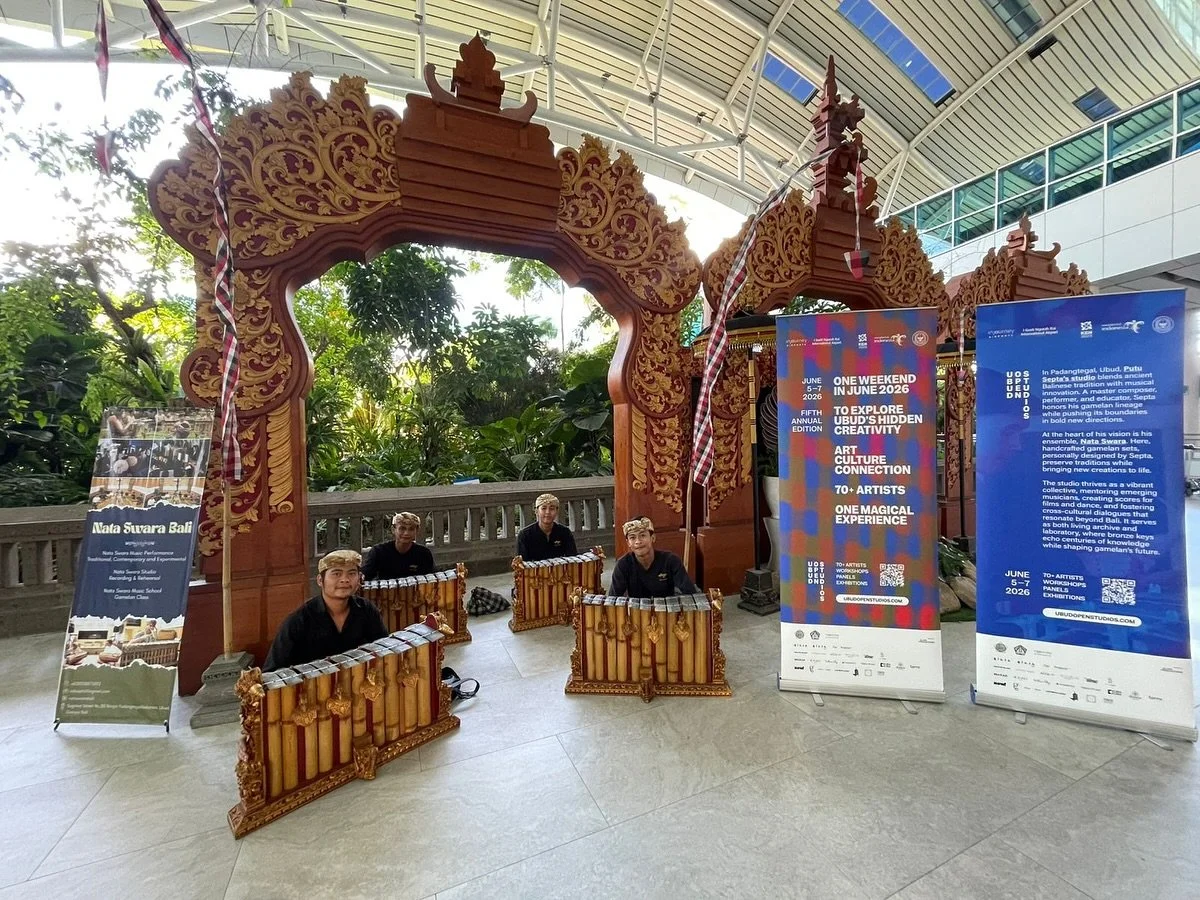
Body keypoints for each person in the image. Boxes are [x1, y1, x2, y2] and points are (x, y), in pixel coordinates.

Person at [263, 550, 387, 670]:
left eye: (351, 573)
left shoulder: (368, 611)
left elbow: (384, 653)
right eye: (336, 573)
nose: (345, 579)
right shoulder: (298, 621)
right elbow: (273, 672)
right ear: (320, 580)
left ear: (359, 578)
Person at [609, 517, 698, 598]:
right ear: (628, 543)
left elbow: (690, 593)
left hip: (666, 613)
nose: (638, 541)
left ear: (653, 538)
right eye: (632, 537)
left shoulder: (671, 561)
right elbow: (613, 600)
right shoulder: (623, 565)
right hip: (637, 613)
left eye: (643, 535)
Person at [361, 512, 436, 580]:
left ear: (417, 531)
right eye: (402, 528)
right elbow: (365, 577)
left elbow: (431, 580)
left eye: (411, 529)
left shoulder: (424, 553)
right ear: (393, 530)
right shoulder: (378, 552)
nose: (406, 533)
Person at [516, 492, 578, 562]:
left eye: (552, 509)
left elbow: (572, 559)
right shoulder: (525, 535)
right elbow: (523, 564)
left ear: (557, 511)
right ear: (536, 511)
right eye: (544, 508)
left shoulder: (565, 532)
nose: (547, 512)